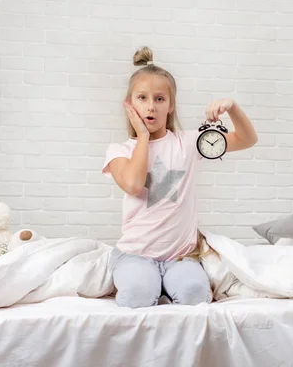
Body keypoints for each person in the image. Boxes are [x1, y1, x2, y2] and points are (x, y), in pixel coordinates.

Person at [102, 46, 258, 308]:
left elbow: (247, 139)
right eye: (142, 98)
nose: (151, 106)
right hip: (135, 254)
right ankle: (149, 282)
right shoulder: (120, 151)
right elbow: (133, 184)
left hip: (181, 256)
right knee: (137, 296)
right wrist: (142, 136)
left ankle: (168, 283)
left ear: (171, 105)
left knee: (195, 296)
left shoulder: (188, 143)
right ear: (129, 105)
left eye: (160, 99)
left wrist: (232, 107)